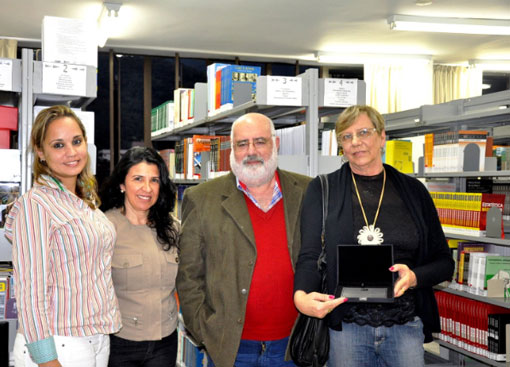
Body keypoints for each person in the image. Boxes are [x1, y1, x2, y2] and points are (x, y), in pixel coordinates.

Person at [294, 105, 455, 367]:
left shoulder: (414, 192)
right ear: (341, 146)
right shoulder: (322, 189)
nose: (355, 142)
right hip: (346, 327)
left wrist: (415, 277)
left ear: (382, 137)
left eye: (364, 132)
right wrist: (300, 297)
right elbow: (310, 254)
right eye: (346, 136)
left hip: (404, 325)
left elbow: (444, 263)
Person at [176, 112, 312, 367]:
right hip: (231, 348)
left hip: (294, 346)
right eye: (242, 144)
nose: (251, 151)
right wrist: (206, 332)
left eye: (260, 141)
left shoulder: (308, 191)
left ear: (276, 144)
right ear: (232, 149)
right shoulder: (202, 198)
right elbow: (188, 275)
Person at [5, 105, 121, 367]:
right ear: (40, 151)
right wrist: (47, 359)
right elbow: (30, 292)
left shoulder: (82, 200)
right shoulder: (36, 205)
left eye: (76, 141)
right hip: (59, 343)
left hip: (95, 337)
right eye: (58, 145)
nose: (71, 152)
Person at [99, 146, 179, 367]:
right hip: (120, 344)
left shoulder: (172, 228)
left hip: (165, 343)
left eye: (154, 180)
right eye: (138, 179)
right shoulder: (104, 227)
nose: (147, 188)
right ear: (122, 184)